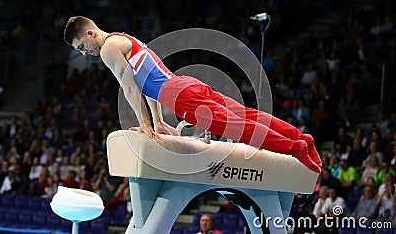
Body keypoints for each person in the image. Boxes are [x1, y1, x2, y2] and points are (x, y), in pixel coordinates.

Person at [63, 16, 321, 173]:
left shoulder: (109, 49)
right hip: (184, 84)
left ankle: (293, 148)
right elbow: (145, 84)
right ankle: (301, 138)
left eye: (82, 46)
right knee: (246, 115)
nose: (85, 53)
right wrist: (157, 122)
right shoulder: (123, 38)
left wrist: (145, 127)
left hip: (180, 97)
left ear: (90, 33)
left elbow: (130, 88)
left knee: (238, 128)